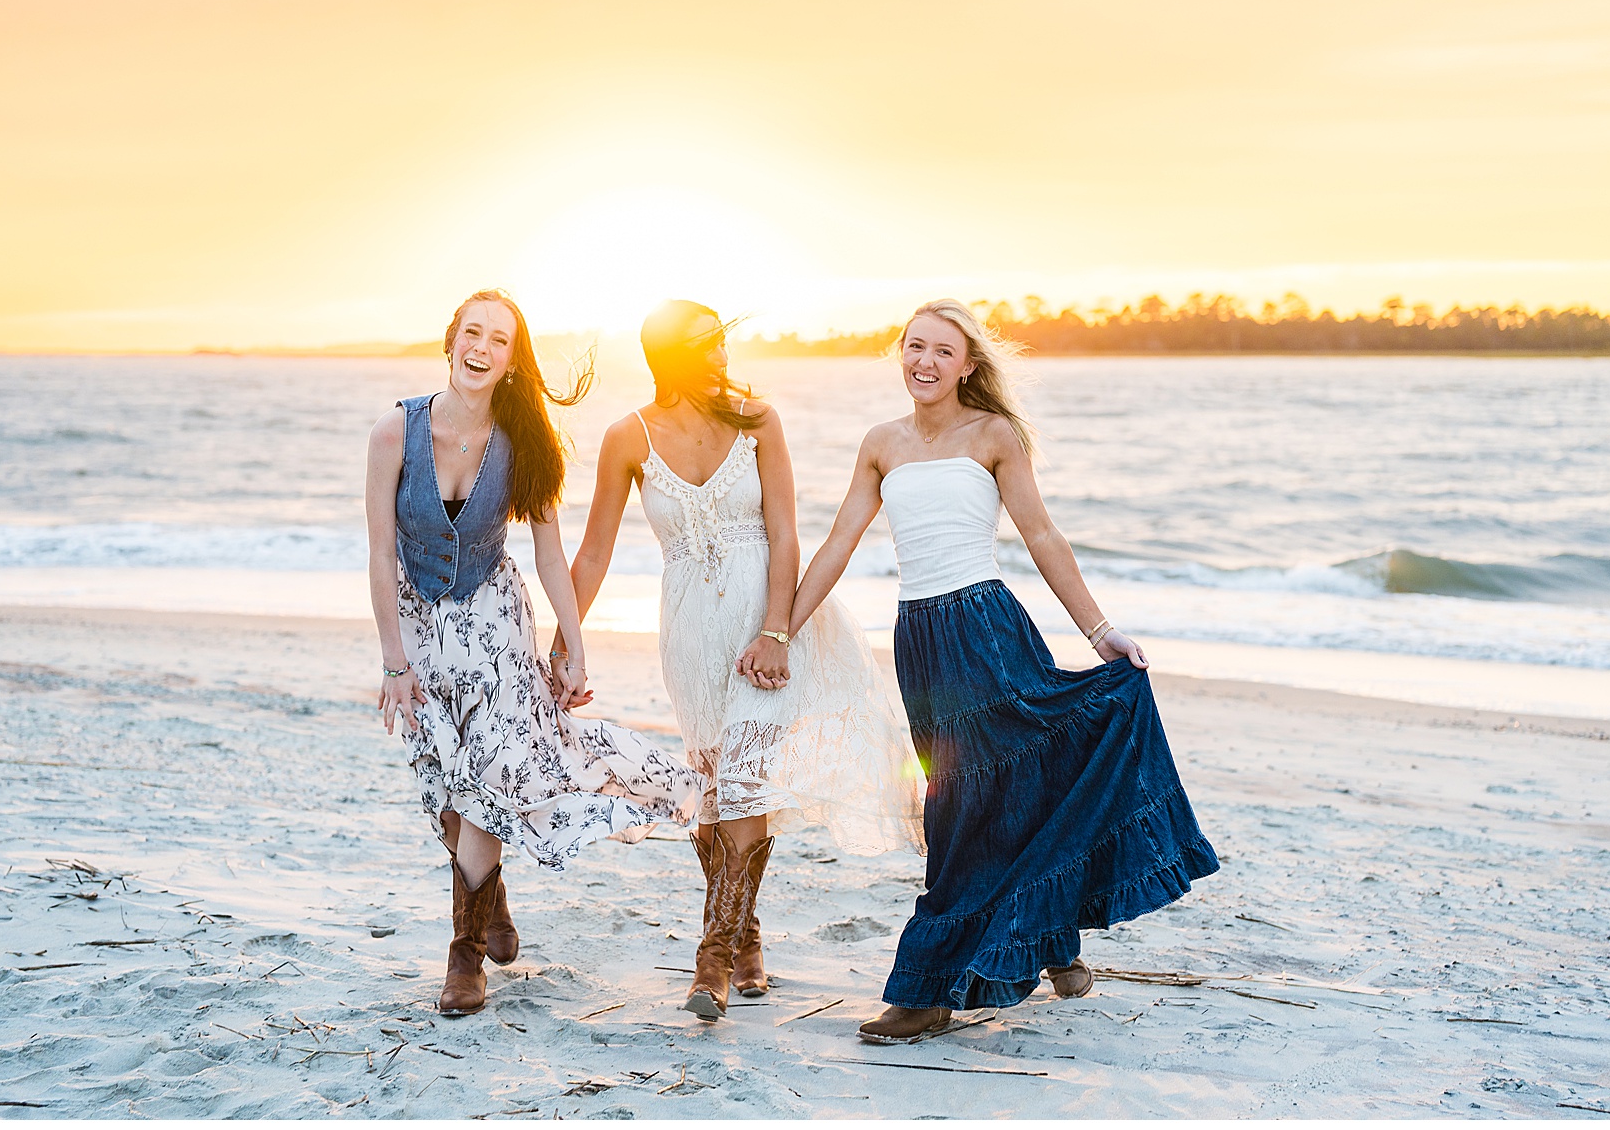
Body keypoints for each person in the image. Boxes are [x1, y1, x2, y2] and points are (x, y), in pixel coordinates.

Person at [781, 298, 1219, 1044]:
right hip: (920, 640)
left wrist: (1101, 630)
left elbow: (1041, 534)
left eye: (942, 352)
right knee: (980, 792)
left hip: (986, 627)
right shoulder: (880, 443)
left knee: (969, 802)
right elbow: (839, 540)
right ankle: (1052, 944)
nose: (925, 362)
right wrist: (777, 628)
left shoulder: (993, 435)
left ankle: (925, 992)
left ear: (969, 366)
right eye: (915, 347)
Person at [557, 299, 923, 1023]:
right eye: (706, 346)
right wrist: (565, 642)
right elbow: (595, 549)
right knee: (721, 788)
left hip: (766, 623)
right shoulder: (627, 437)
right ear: (671, 357)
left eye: (723, 342)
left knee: (749, 783)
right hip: (690, 629)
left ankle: (713, 958)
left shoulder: (759, 419)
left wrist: (777, 631)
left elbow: (786, 534)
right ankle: (748, 935)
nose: (723, 356)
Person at [364, 289, 703, 1017]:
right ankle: (493, 899)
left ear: (513, 362)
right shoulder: (394, 432)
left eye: (499, 340)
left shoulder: (523, 446)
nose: (481, 348)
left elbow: (551, 556)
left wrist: (574, 646)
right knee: (450, 792)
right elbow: (379, 551)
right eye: (473, 333)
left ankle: (463, 957)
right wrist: (393, 661)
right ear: (451, 338)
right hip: (419, 625)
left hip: (494, 621)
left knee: (491, 773)